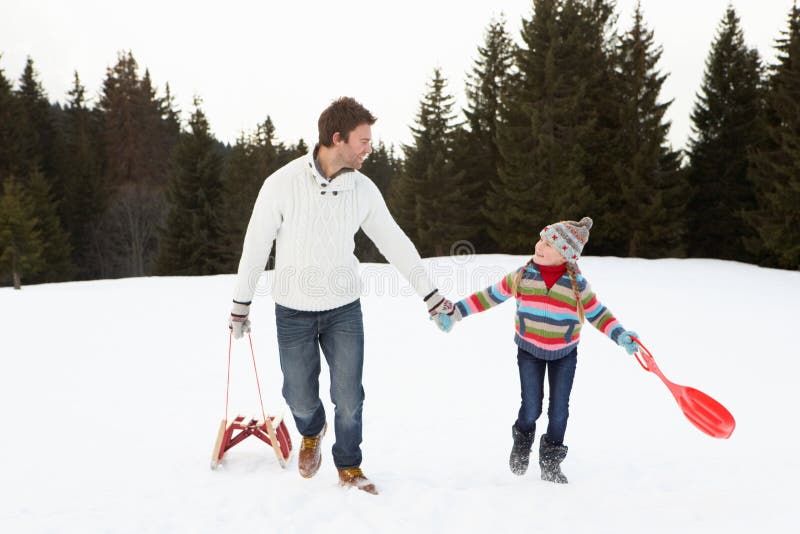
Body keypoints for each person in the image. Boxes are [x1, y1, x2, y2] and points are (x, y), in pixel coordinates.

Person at [228, 97, 453, 495]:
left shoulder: (362, 189)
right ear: (337, 139)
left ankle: (349, 466)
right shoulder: (281, 184)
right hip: (293, 311)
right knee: (298, 396)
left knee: (349, 396)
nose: (369, 148)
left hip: (344, 310)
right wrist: (240, 306)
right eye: (363, 141)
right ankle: (312, 431)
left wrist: (430, 295)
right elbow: (255, 247)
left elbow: (394, 242)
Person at [433, 217, 639, 483]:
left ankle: (551, 462)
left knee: (559, 411)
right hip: (529, 352)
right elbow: (489, 296)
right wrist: (457, 312)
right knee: (531, 406)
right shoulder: (522, 276)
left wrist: (620, 334)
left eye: (548, 244)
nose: (539, 246)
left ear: (565, 254)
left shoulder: (576, 284)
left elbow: (598, 314)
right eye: (540, 240)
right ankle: (522, 440)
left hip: (564, 355)